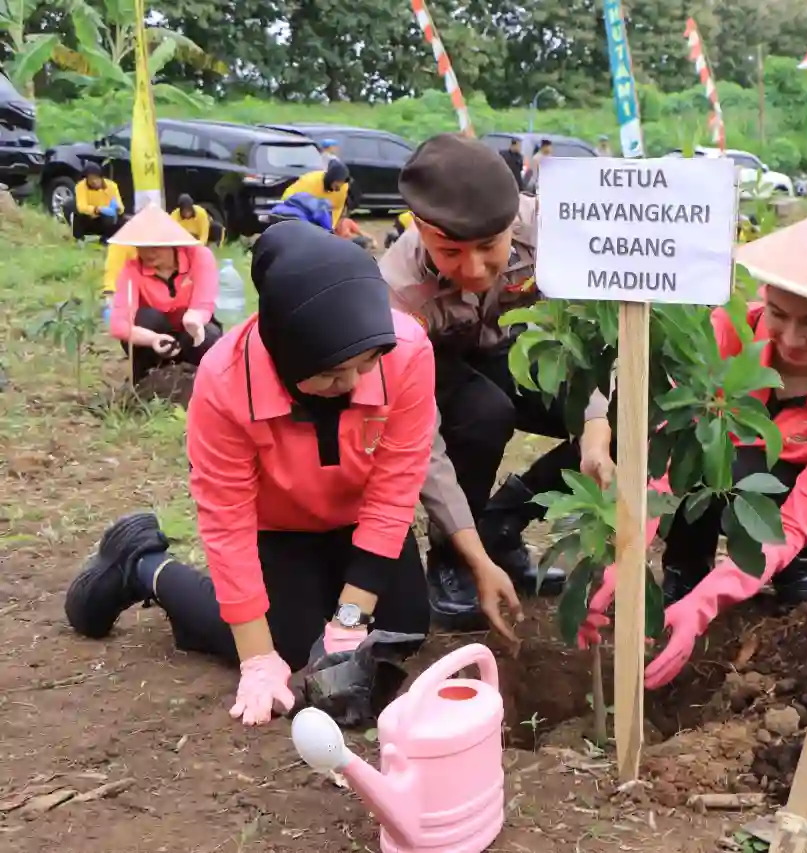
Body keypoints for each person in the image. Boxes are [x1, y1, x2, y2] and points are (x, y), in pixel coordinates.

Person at [64, 222, 522, 727]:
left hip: (357, 518)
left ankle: (330, 607)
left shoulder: (406, 351)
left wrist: (350, 619)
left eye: (366, 364)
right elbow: (228, 520)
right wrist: (257, 658)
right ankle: (145, 567)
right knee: (286, 646)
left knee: (400, 630)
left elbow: (395, 488)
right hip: (277, 526)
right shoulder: (224, 380)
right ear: (286, 353)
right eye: (331, 374)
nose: (352, 384)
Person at [576, 212, 807, 689]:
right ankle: (687, 567)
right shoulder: (727, 329)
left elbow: (796, 521)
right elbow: (666, 454)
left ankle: (796, 569)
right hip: (723, 470)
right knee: (704, 456)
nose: (790, 339)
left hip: (802, 503)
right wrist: (621, 552)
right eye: (779, 315)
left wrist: (707, 606)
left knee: (774, 500)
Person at [381, 133, 609, 630]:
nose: (474, 269)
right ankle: (452, 557)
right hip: (436, 369)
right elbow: (416, 434)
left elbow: (577, 339)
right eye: (450, 252)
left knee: (625, 416)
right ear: (421, 228)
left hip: (510, 351)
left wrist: (595, 421)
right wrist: (464, 544)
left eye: (490, 247)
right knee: (484, 414)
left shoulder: (549, 230)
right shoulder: (396, 292)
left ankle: (504, 523)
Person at [106, 205, 224, 383]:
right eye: (142, 246)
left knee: (209, 334)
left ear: (172, 243)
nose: (148, 253)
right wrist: (153, 339)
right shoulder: (132, 270)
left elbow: (203, 304)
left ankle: (202, 383)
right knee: (145, 318)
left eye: (156, 246)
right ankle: (146, 384)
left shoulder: (200, 257)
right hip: (156, 340)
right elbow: (119, 325)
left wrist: (194, 318)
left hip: (191, 334)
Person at [69, 163, 125, 244]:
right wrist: (96, 209)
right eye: (91, 179)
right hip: (90, 217)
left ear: (101, 177)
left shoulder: (112, 186)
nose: (94, 182)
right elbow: (81, 206)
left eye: (96, 178)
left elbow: (120, 206)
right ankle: (79, 238)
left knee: (120, 220)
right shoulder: (80, 186)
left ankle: (106, 238)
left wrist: (118, 208)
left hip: (106, 218)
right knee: (75, 209)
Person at [283, 159, 350, 227]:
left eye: (342, 183)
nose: (339, 187)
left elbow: (336, 208)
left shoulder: (343, 187)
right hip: (295, 212)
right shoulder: (310, 181)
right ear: (331, 178)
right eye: (337, 182)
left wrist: (331, 227)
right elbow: (290, 201)